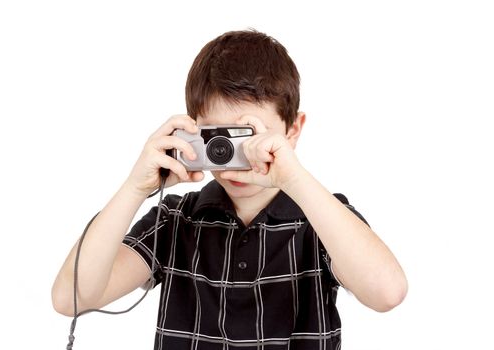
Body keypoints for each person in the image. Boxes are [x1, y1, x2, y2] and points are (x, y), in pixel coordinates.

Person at [52, 29, 407, 349]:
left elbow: (387, 293)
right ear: (191, 131)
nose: (232, 157)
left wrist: (294, 179)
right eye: (217, 138)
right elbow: (71, 298)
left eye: (248, 136)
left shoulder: (323, 220)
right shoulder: (176, 220)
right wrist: (135, 187)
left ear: (292, 131)